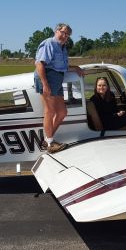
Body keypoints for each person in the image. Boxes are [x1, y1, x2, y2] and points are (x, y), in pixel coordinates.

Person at [34, 23, 83, 153]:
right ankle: (50, 144)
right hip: (47, 78)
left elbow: (62, 66)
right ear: (56, 31)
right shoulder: (49, 43)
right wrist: (45, 84)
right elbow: (39, 64)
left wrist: (75, 67)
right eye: (62, 32)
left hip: (57, 79)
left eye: (67, 34)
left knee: (62, 113)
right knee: (49, 111)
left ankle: (47, 139)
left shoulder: (63, 48)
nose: (64, 36)